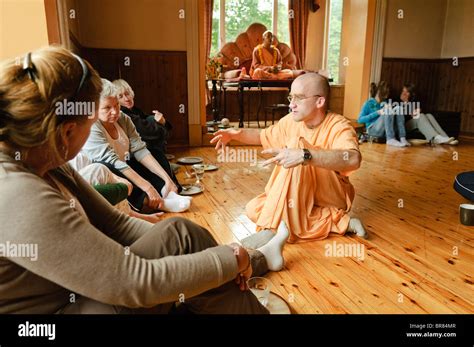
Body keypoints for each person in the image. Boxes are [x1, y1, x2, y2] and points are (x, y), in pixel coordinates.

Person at [0, 46, 287, 314]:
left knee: (180, 234)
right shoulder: (14, 193)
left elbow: (115, 223)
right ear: (66, 133)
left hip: (87, 290)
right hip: (58, 313)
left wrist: (224, 258)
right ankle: (253, 264)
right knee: (206, 269)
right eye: (91, 125)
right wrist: (230, 259)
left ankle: (249, 263)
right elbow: (130, 281)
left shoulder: (49, 161)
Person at [211, 73, 367, 263]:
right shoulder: (291, 121)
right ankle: (340, 222)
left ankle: (270, 230)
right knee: (254, 208)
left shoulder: (339, 125)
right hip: (305, 198)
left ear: (319, 102)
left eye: (298, 98)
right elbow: (263, 136)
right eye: (290, 97)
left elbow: (353, 159)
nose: (291, 104)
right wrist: (235, 134)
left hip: (331, 195)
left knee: (296, 146)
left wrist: (304, 155)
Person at [82, 79, 189, 213]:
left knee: (151, 152)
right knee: (110, 166)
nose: (115, 112)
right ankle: (154, 202)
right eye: (107, 108)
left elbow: (140, 150)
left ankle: (167, 191)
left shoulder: (123, 118)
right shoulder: (92, 125)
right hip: (103, 173)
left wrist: (167, 179)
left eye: (116, 105)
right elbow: (112, 161)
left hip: (122, 165)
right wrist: (147, 187)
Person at [358, 81, 410, 147]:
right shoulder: (368, 103)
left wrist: (392, 111)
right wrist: (378, 112)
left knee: (398, 108)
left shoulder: (385, 102)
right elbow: (360, 119)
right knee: (387, 110)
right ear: (379, 92)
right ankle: (390, 139)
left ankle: (402, 138)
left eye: (387, 94)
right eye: (385, 94)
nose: (386, 96)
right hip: (372, 130)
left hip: (384, 131)